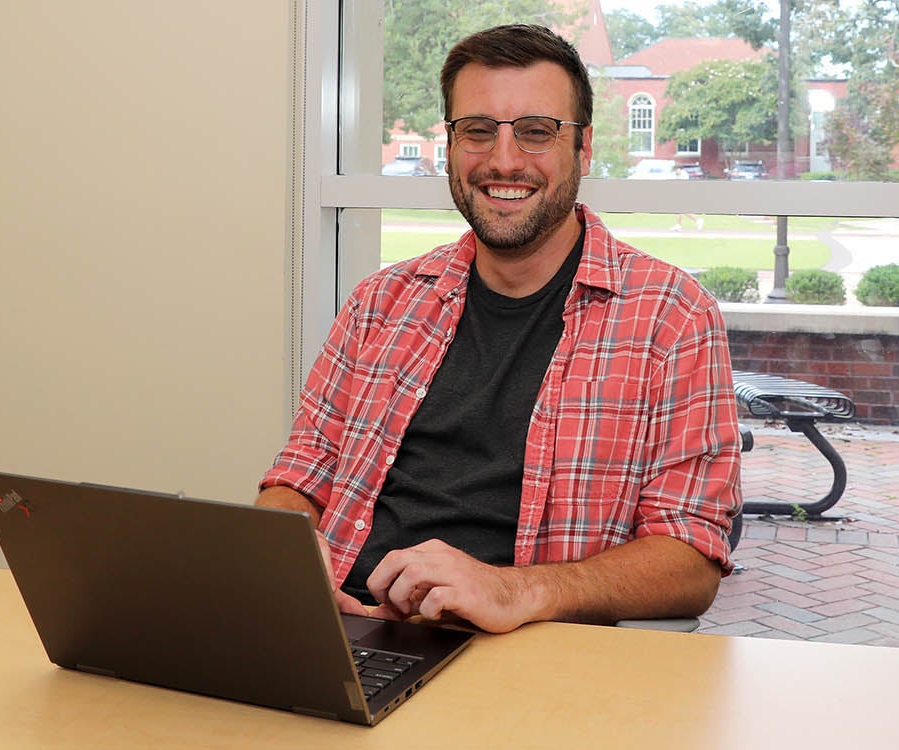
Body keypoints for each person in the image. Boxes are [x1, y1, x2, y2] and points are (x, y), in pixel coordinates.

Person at [258, 24, 740, 634]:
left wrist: (514, 590)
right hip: (343, 629)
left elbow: (691, 560)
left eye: (537, 132)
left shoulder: (671, 317)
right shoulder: (382, 303)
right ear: (451, 144)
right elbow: (297, 480)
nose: (503, 160)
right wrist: (294, 562)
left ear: (583, 149)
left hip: (526, 652)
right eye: (478, 131)